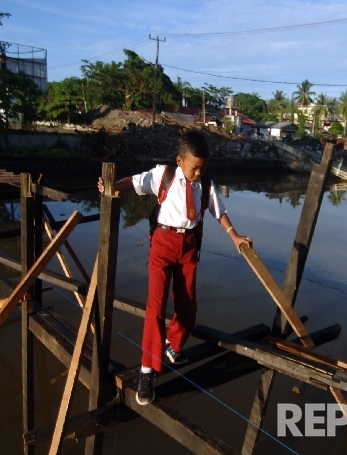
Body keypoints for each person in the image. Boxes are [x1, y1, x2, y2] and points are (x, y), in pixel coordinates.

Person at [98, 131, 251, 405]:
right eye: (194, 167)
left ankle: (172, 344)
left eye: (203, 168)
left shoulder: (205, 184)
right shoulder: (163, 176)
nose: (198, 172)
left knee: (188, 306)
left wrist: (235, 236)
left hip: (189, 246)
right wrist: (111, 187)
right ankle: (148, 370)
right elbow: (134, 182)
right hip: (163, 243)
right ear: (179, 160)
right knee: (155, 306)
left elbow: (219, 212)